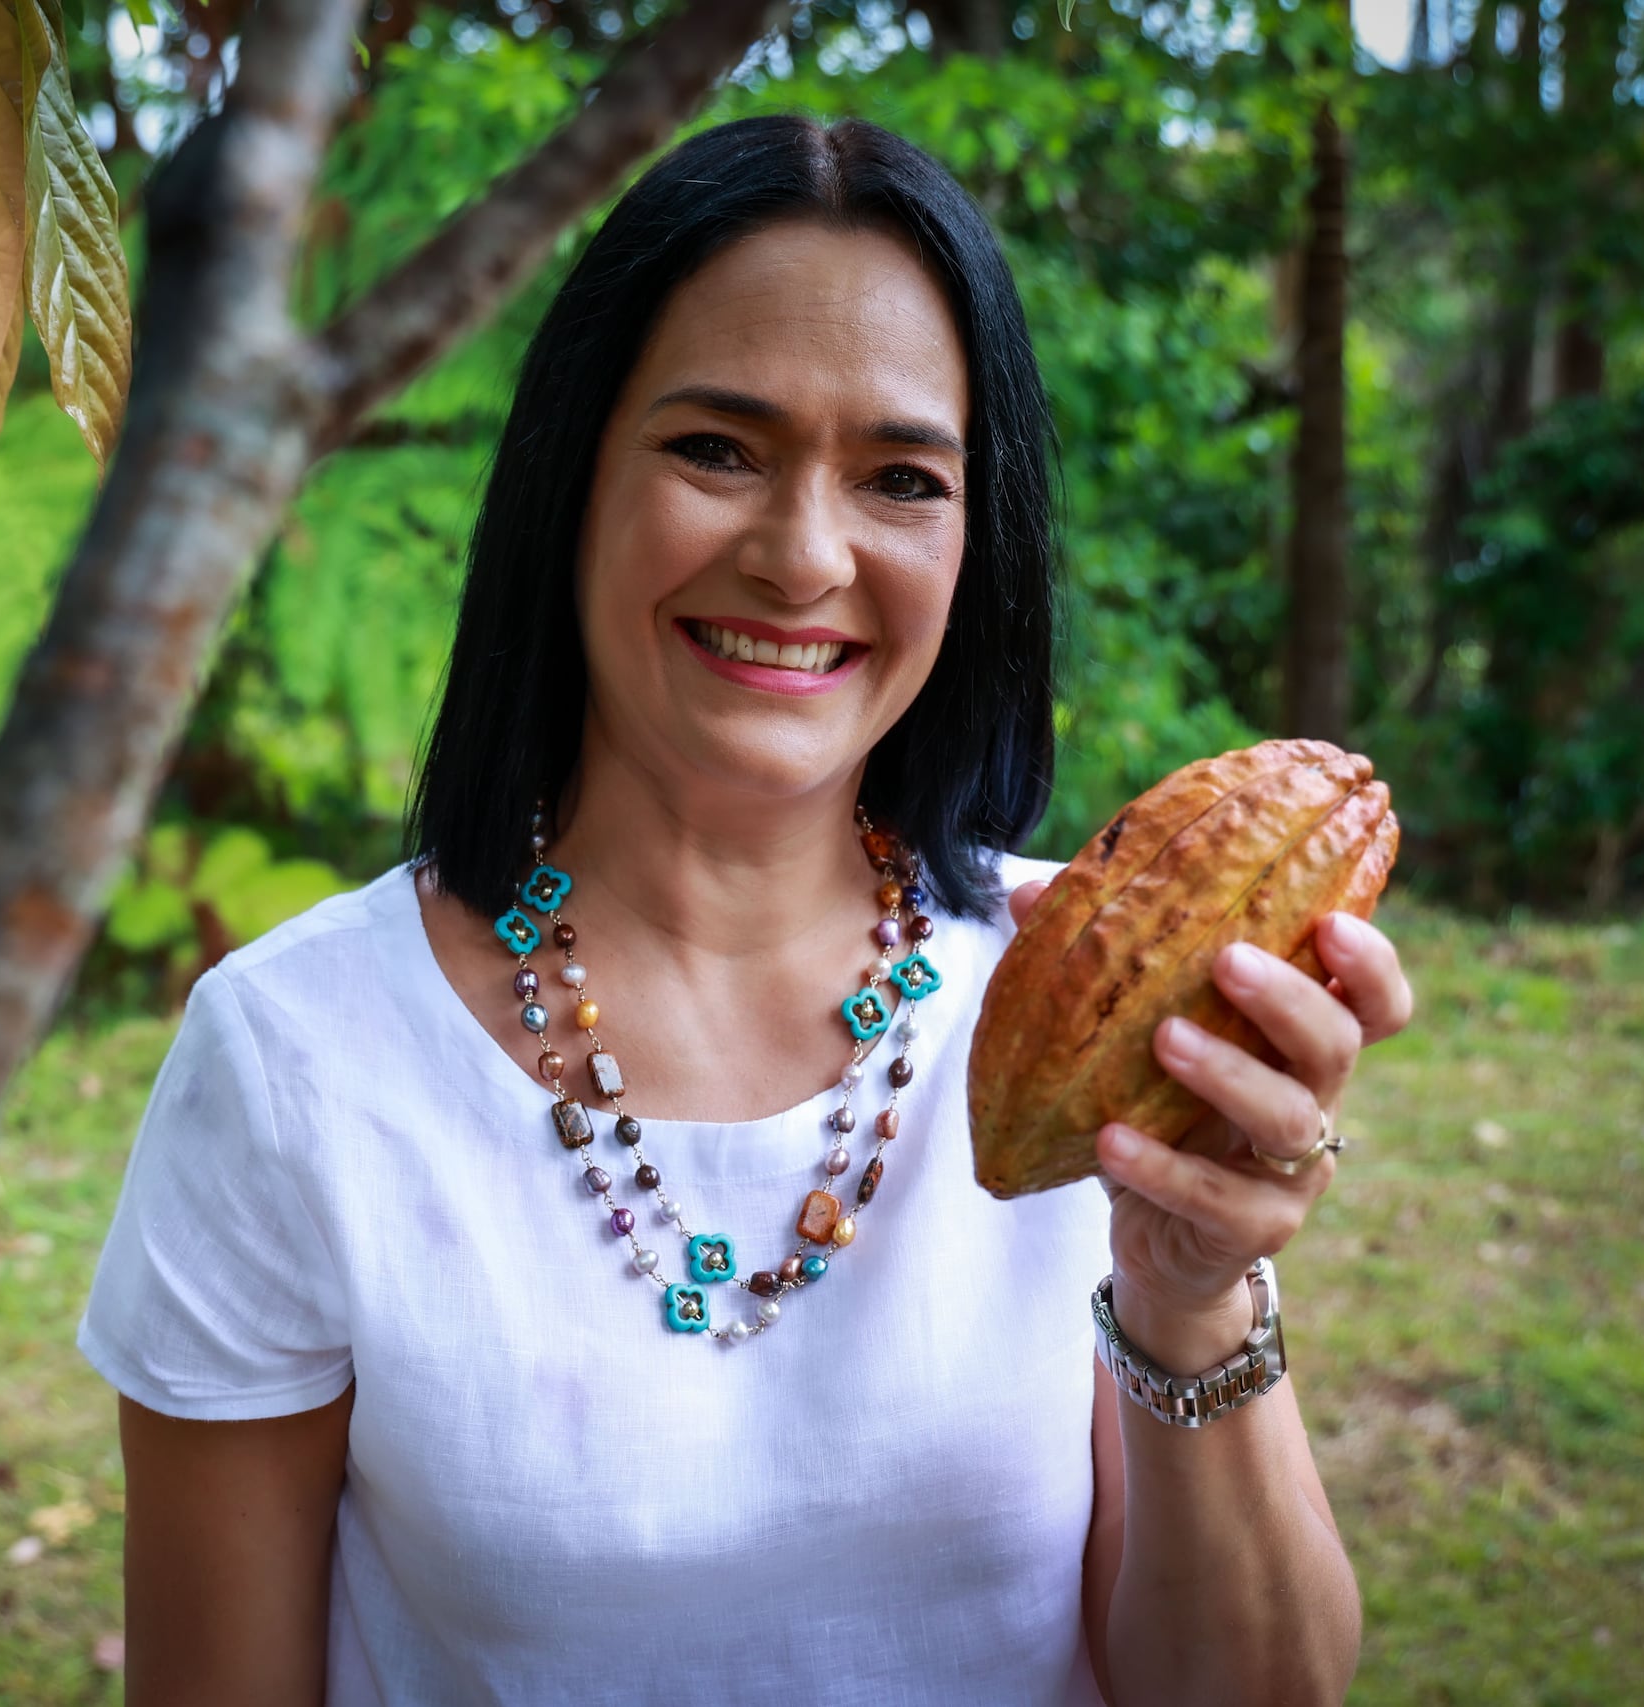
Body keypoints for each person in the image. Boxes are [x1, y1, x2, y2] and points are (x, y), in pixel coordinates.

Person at [79, 113, 1413, 1705]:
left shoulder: (1104, 1025)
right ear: (572, 477)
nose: (801, 555)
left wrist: (1191, 1299)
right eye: (717, 448)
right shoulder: (301, 1061)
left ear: (976, 546)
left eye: (901, 477)